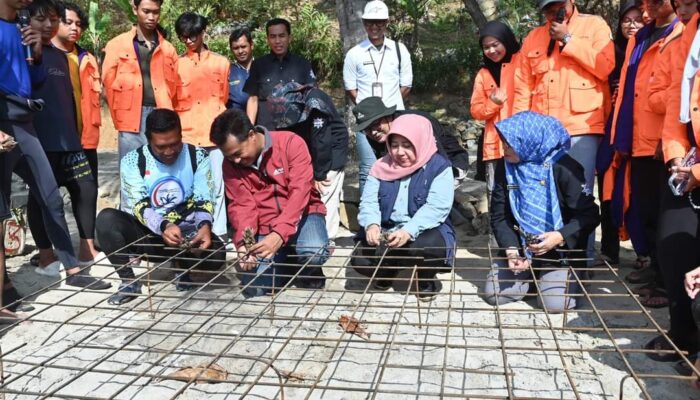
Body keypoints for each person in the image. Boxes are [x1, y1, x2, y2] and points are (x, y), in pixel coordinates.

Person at [0, 0, 110, 294]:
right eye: (44, 19)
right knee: (3, 207)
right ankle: (5, 286)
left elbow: (33, 81)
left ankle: (72, 269)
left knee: (51, 197)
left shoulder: (21, 29)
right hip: (4, 121)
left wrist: (35, 54)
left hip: (26, 122)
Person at [513, 0, 613, 266]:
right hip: (542, 136)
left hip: (581, 126)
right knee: (542, 192)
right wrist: (520, 131)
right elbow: (523, 86)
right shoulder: (534, 37)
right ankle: (545, 254)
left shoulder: (595, 26)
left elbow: (605, 67)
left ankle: (582, 259)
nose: (552, 13)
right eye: (546, 9)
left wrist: (568, 39)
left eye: (556, 6)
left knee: (580, 196)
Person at [96, 109, 224, 305]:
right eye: (161, 147)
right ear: (148, 140)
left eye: (175, 144)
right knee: (106, 220)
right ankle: (128, 281)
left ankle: (182, 266)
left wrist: (204, 226)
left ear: (181, 135)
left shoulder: (197, 156)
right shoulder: (132, 162)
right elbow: (140, 206)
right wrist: (164, 226)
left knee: (217, 256)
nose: (169, 152)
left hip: (186, 236)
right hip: (150, 234)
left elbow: (203, 198)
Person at [482, 111, 599, 312]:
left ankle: (564, 275)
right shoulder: (507, 166)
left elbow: (589, 215)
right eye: (504, 143)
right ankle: (532, 277)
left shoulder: (564, 167)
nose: (505, 149)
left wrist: (559, 237)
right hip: (521, 246)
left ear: (530, 142)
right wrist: (511, 250)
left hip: (559, 249)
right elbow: (499, 215)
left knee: (555, 305)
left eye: (510, 144)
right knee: (495, 295)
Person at [210, 109, 329, 297]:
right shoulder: (230, 165)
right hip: (265, 224)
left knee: (314, 250)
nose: (236, 160)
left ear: (251, 135)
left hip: (305, 214)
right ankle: (285, 264)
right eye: (229, 156)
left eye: (238, 153)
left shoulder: (291, 143)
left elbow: (299, 193)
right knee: (255, 288)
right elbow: (241, 205)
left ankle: (305, 265)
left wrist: (279, 235)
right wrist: (244, 244)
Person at [605, 0, 678, 307]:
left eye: (654, 2)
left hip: (665, 140)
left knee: (667, 215)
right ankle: (655, 270)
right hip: (637, 137)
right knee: (645, 210)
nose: (648, 8)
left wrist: (670, 137)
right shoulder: (640, 37)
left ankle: (667, 282)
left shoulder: (680, 32)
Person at [27, 0, 101, 276]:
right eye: (43, 20)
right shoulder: (29, 51)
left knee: (86, 188)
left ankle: (86, 250)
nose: (49, 25)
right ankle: (46, 256)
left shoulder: (63, 57)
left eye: (53, 19)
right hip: (40, 139)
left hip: (70, 139)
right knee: (41, 197)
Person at [351, 114, 454, 302]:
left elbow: (437, 207)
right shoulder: (379, 166)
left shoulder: (439, 167)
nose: (399, 152)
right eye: (395, 144)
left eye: (407, 145)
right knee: (360, 259)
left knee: (427, 248)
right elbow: (369, 202)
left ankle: (424, 278)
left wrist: (408, 231)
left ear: (420, 141)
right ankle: (388, 270)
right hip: (388, 230)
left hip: (422, 232)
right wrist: (372, 225)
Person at [650, 3, 700, 361]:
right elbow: (674, 101)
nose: (682, 10)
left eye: (688, 3)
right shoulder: (686, 36)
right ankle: (682, 334)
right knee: (672, 246)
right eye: (678, 3)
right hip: (687, 157)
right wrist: (676, 157)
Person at [102, 0, 178, 206]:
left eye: (156, 12)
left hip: (160, 117)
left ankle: (162, 222)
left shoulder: (168, 49)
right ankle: (129, 223)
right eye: (146, 11)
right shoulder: (117, 45)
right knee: (131, 172)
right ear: (135, 10)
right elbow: (108, 83)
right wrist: (120, 114)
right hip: (130, 119)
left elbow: (174, 87)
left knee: (162, 171)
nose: (151, 17)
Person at [594, 0, 643, 274]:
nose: (632, 24)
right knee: (608, 191)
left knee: (636, 193)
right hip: (608, 132)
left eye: (637, 19)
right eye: (627, 19)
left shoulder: (648, 50)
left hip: (639, 133)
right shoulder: (611, 53)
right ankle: (609, 250)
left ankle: (642, 252)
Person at [267, 82, 348, 242]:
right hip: (313, 150)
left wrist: (319, 174)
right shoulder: (295, 99)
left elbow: (322, 142)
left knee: (325, 194)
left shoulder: (315, 105)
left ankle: (327, 238)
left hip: (330, 154)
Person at [174, 12, 230, 240]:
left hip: (214, 136)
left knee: (217, 187)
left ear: (202, 32)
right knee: (188, 188)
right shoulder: (175, 65)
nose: (188, 41)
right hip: (187, 136)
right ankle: (191, 233)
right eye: (183, 37)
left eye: (192, 35)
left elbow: (224, 97)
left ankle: (218, 235)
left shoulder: (221, 63)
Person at [353, 96, 468, 192]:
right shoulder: (374, 135)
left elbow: (439, 161)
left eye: (376, 124)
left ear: (387, 116)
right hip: (415, 166)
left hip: (451, 163)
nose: (373, 132)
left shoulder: (416, 123)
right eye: (367, 129)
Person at [51, 1, 101, 181]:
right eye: (68, 22)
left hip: (84, 143)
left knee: (88, 197)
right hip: (53, 143)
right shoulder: (42, 55)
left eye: (79, 24)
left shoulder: (87, 59)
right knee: (45, 202)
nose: (75, 28)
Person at [470, 20, 521, 194]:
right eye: (486, 47)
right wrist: (493, 103)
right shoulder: (483, 74)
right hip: (494, 147)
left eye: (495, 45)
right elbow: (476, 111)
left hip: (522, 143)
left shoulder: (523, 65)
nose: (491, 51)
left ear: (506, 40)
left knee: (523, 192)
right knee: (497, 195)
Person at [244, 18, 315, 128]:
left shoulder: (303, 64)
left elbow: (312, 98)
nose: (277, 41)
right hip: (267, 133)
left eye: (282, 36)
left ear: (289, 38)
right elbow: (253, 100)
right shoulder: (258, 65)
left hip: (297, 131)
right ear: (267, 39)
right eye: (273, 37)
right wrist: (249, 129)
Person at [227, 24, 253, 111]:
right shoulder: (227, 71)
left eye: (243, 46)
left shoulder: (263, 67)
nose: (240, 51)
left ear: (251, 45)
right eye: (236, 48)